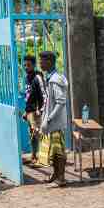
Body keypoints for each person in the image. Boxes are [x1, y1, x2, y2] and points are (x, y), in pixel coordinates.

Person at [38, 51, 69, 188]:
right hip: (53, 121)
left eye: (42, 61)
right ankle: (56, 174)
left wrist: (49, 119)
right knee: (54, 150)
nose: (40, 64)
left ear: (49, 62)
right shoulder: (51, 77)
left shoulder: (55, 80)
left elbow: (61, 102)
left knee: (58, 151)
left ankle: (61, 177)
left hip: (55, 122)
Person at [23, 55, 46, 166]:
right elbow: (28, 96)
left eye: (28, 65)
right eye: (25, 65)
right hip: (29, 111)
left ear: (34, 65)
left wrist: (40, 109)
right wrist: (26, 111)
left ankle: (43, 158)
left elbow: (43, 95)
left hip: (36, 111)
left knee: (38, 134)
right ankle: (34, 156)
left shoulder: (38, 77)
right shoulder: (27, 77)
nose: (26, 67)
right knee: (32, 135)